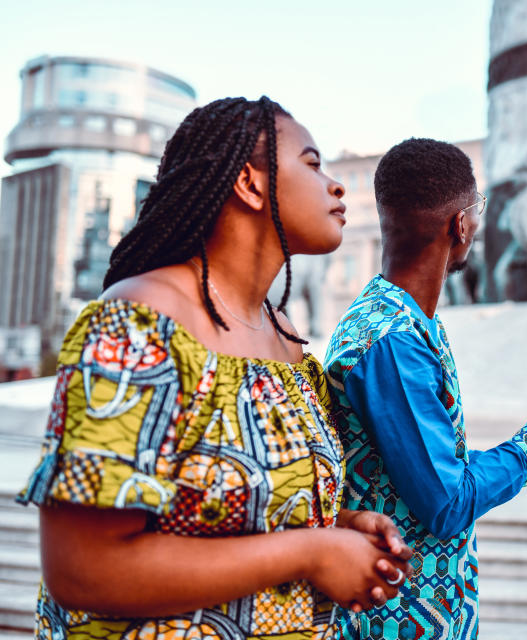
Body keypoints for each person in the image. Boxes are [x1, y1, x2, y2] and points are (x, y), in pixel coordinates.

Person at [17, 96, 411, 640]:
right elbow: (82, 568)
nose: (338, 186)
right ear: (250, 184)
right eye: (314, 164)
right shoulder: (138, 324)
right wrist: (310, 551)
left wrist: (342, 531)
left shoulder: (290, 345)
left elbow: (236, 519)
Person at [324, 137, 527, 640]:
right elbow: (447, 502)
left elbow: (435, 470)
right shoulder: (392, 342)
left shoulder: (405, 321)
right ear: (462, 224)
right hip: (398, 619)